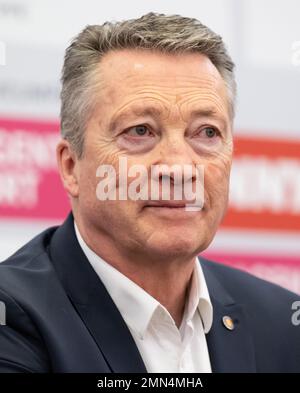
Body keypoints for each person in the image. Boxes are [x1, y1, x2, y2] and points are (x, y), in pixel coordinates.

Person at [0, 12, 299, 373]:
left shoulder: (283, 322)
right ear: (71, 167)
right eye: (140, 131)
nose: (179, 168)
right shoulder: (12, 318)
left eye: (206, 133)